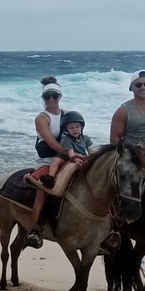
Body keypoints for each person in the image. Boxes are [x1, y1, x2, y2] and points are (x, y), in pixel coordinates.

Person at [25, 75, 67, 249]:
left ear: (59, 97)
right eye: (47, 96)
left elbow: (75, 134)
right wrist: (73, 154)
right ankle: (35, 229)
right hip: (47, 159)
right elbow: (52, 143)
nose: (51, 99)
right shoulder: (42, 118)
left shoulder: (67, 114)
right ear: (43, 98)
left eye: (54, 96)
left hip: (66, 157)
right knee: (43, 191)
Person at [39, 111, 92, 189]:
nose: (75, 130)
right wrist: (76, 159)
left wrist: (92, 158)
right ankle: (51, 177)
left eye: (77, 127)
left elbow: (91, 150)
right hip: (67, 156)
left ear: (81, 127)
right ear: (66, 129)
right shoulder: (67, 140)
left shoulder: (85, 138)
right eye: (71, 128)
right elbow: (71, 153)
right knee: (55, 160)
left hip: (82, 156)